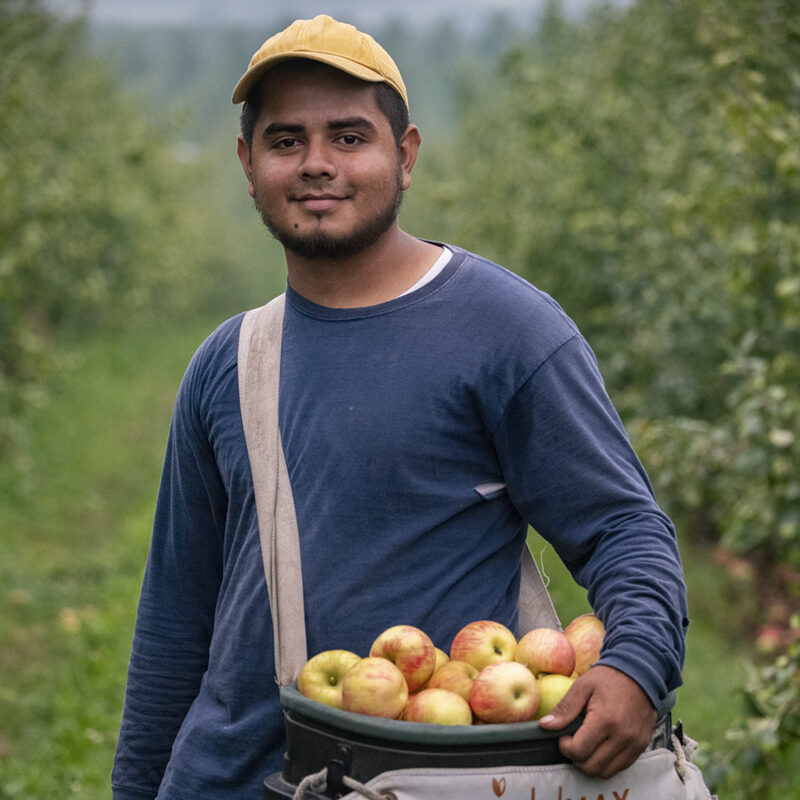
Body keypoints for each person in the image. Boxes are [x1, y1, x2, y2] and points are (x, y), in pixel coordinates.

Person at [112, 14, 688, 800]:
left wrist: (636, 664)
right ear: (248, 164)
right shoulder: (230, 362)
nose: (317, 164)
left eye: (349, 137)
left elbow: (622, 525)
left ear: (405, 154)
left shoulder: (507, 332)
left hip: (423, 782)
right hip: (228, 780)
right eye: (286, 141)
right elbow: (174, 626)